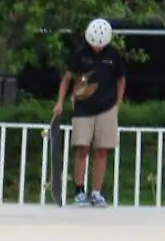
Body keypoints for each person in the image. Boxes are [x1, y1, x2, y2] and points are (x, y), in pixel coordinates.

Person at [54, 18, 126, 207]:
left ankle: (96, 192)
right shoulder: (80, 54)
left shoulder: (113, 55)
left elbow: (121, 79)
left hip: (107, 108)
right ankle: (79, 190)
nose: (96, 48)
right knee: (81, 149)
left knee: (102, 151)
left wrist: (117, 103)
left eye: (100, 45)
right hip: (83, 109)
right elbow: (67, 79)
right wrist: (60, 101)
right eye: (94, 44)